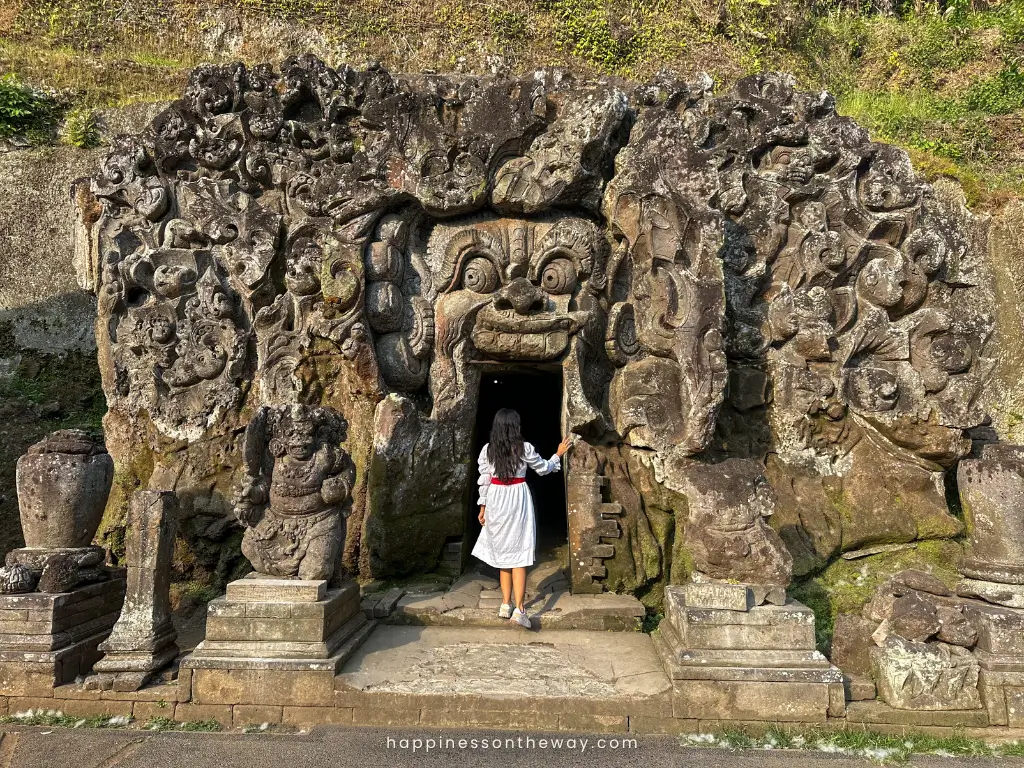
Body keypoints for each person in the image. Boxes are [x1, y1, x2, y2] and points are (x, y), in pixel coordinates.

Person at [472, 408, 573, 628]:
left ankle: (505, 604)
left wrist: (483, 507)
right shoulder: (524, 448)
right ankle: (520, 610)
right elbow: (544, 469)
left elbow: (485, 480)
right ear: (515, 427)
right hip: (518, 498)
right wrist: (558, 454)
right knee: (518, 555)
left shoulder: (488, 450)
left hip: (496, 500)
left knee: (503, 554)